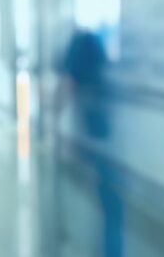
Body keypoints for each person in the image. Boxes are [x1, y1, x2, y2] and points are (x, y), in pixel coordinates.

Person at [61, 29, 122, 257]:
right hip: (107, 149)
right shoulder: (101, 77)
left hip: (92, 149)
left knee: (93, 203)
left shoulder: (79, 75)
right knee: (108, 206)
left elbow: (62, 94)